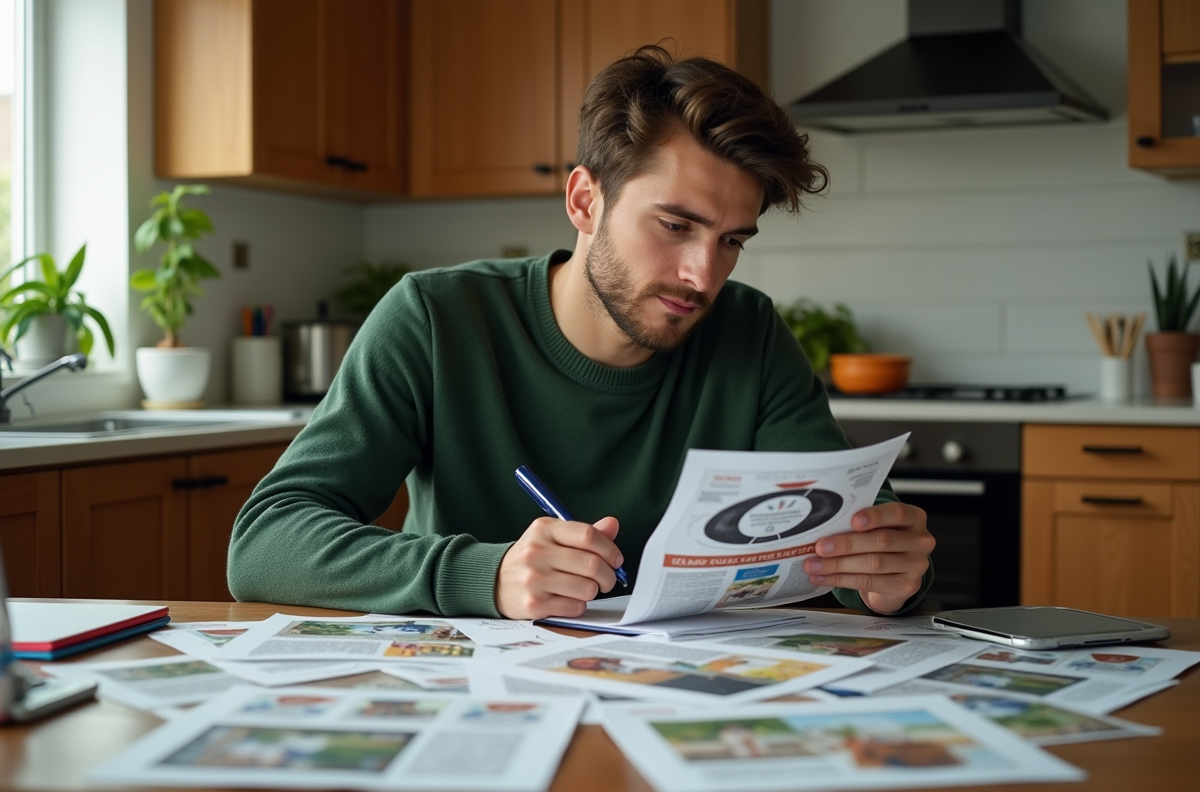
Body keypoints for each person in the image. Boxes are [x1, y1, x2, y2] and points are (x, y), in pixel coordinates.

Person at [228, 46, 934, 620]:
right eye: (676, 225)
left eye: (731, 241)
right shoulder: (436, 319)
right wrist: (487, 574)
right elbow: (264, 545)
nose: (701, 274)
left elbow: (841, 530)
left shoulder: (747, 329)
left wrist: (882, 575)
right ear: (584, 200)